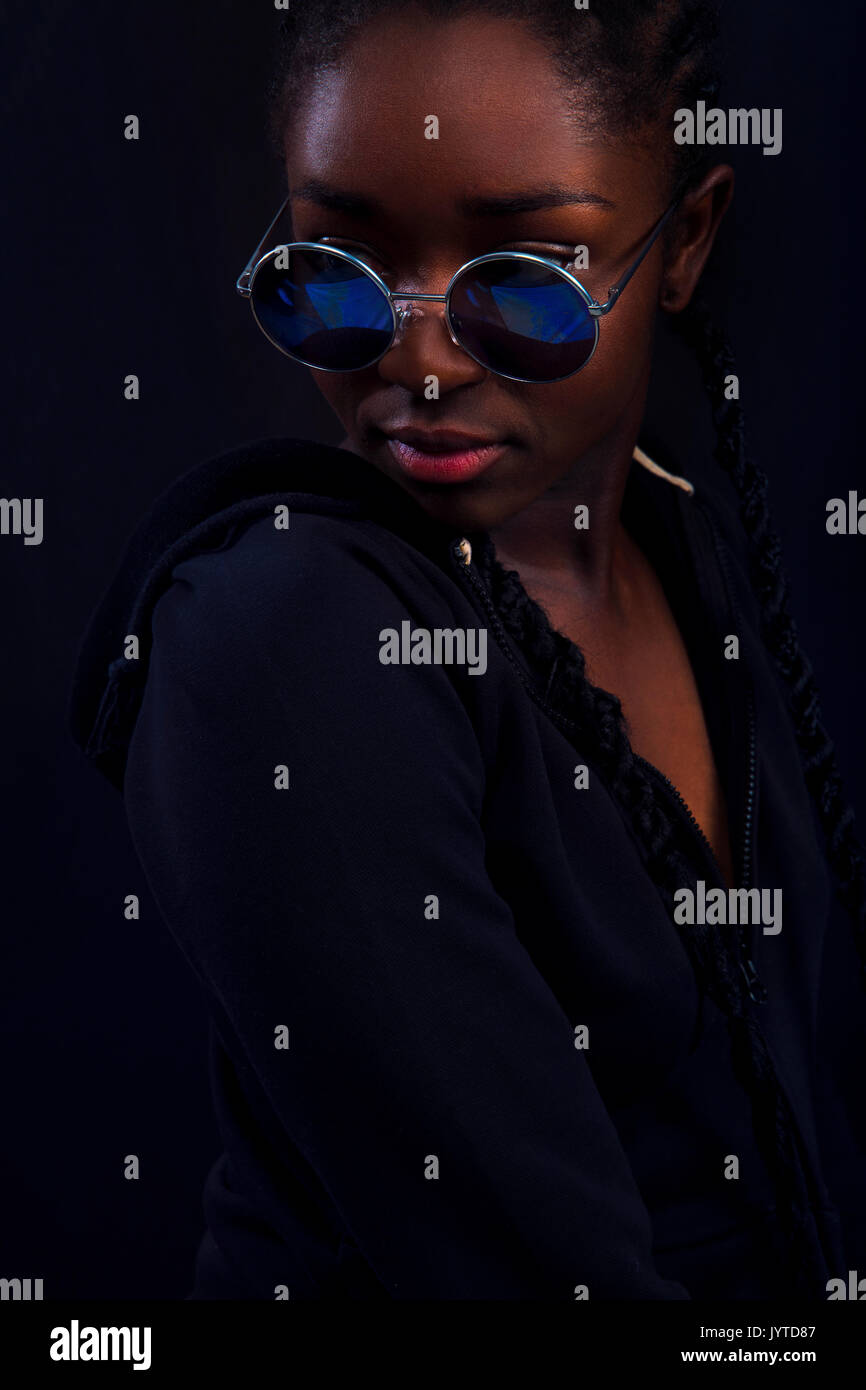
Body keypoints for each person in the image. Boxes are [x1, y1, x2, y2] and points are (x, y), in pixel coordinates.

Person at [70, 0, 866, 1300]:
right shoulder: (286, 640)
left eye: (526, 279)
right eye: (338, 265)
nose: (422, 359)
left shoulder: (692, 552)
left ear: (684, 242)